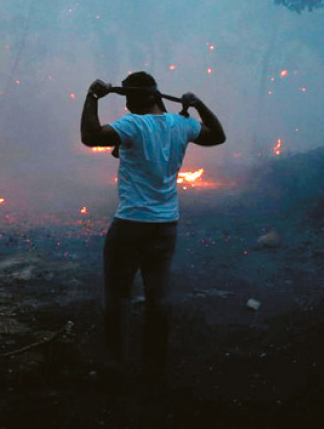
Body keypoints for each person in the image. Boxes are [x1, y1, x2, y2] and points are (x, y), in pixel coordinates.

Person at [80, 72, 225, 389]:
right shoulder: (182, 124)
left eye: (130, 100)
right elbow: (217, 135)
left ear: (144, 99)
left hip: (131, 224)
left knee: (117, 296)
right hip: (165, 225)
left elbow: (90, 136)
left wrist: (92, 97)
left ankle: (115, 364)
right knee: (158, 298)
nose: (128, 107)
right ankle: (153, 369)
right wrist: (198, 104)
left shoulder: (134, 125)